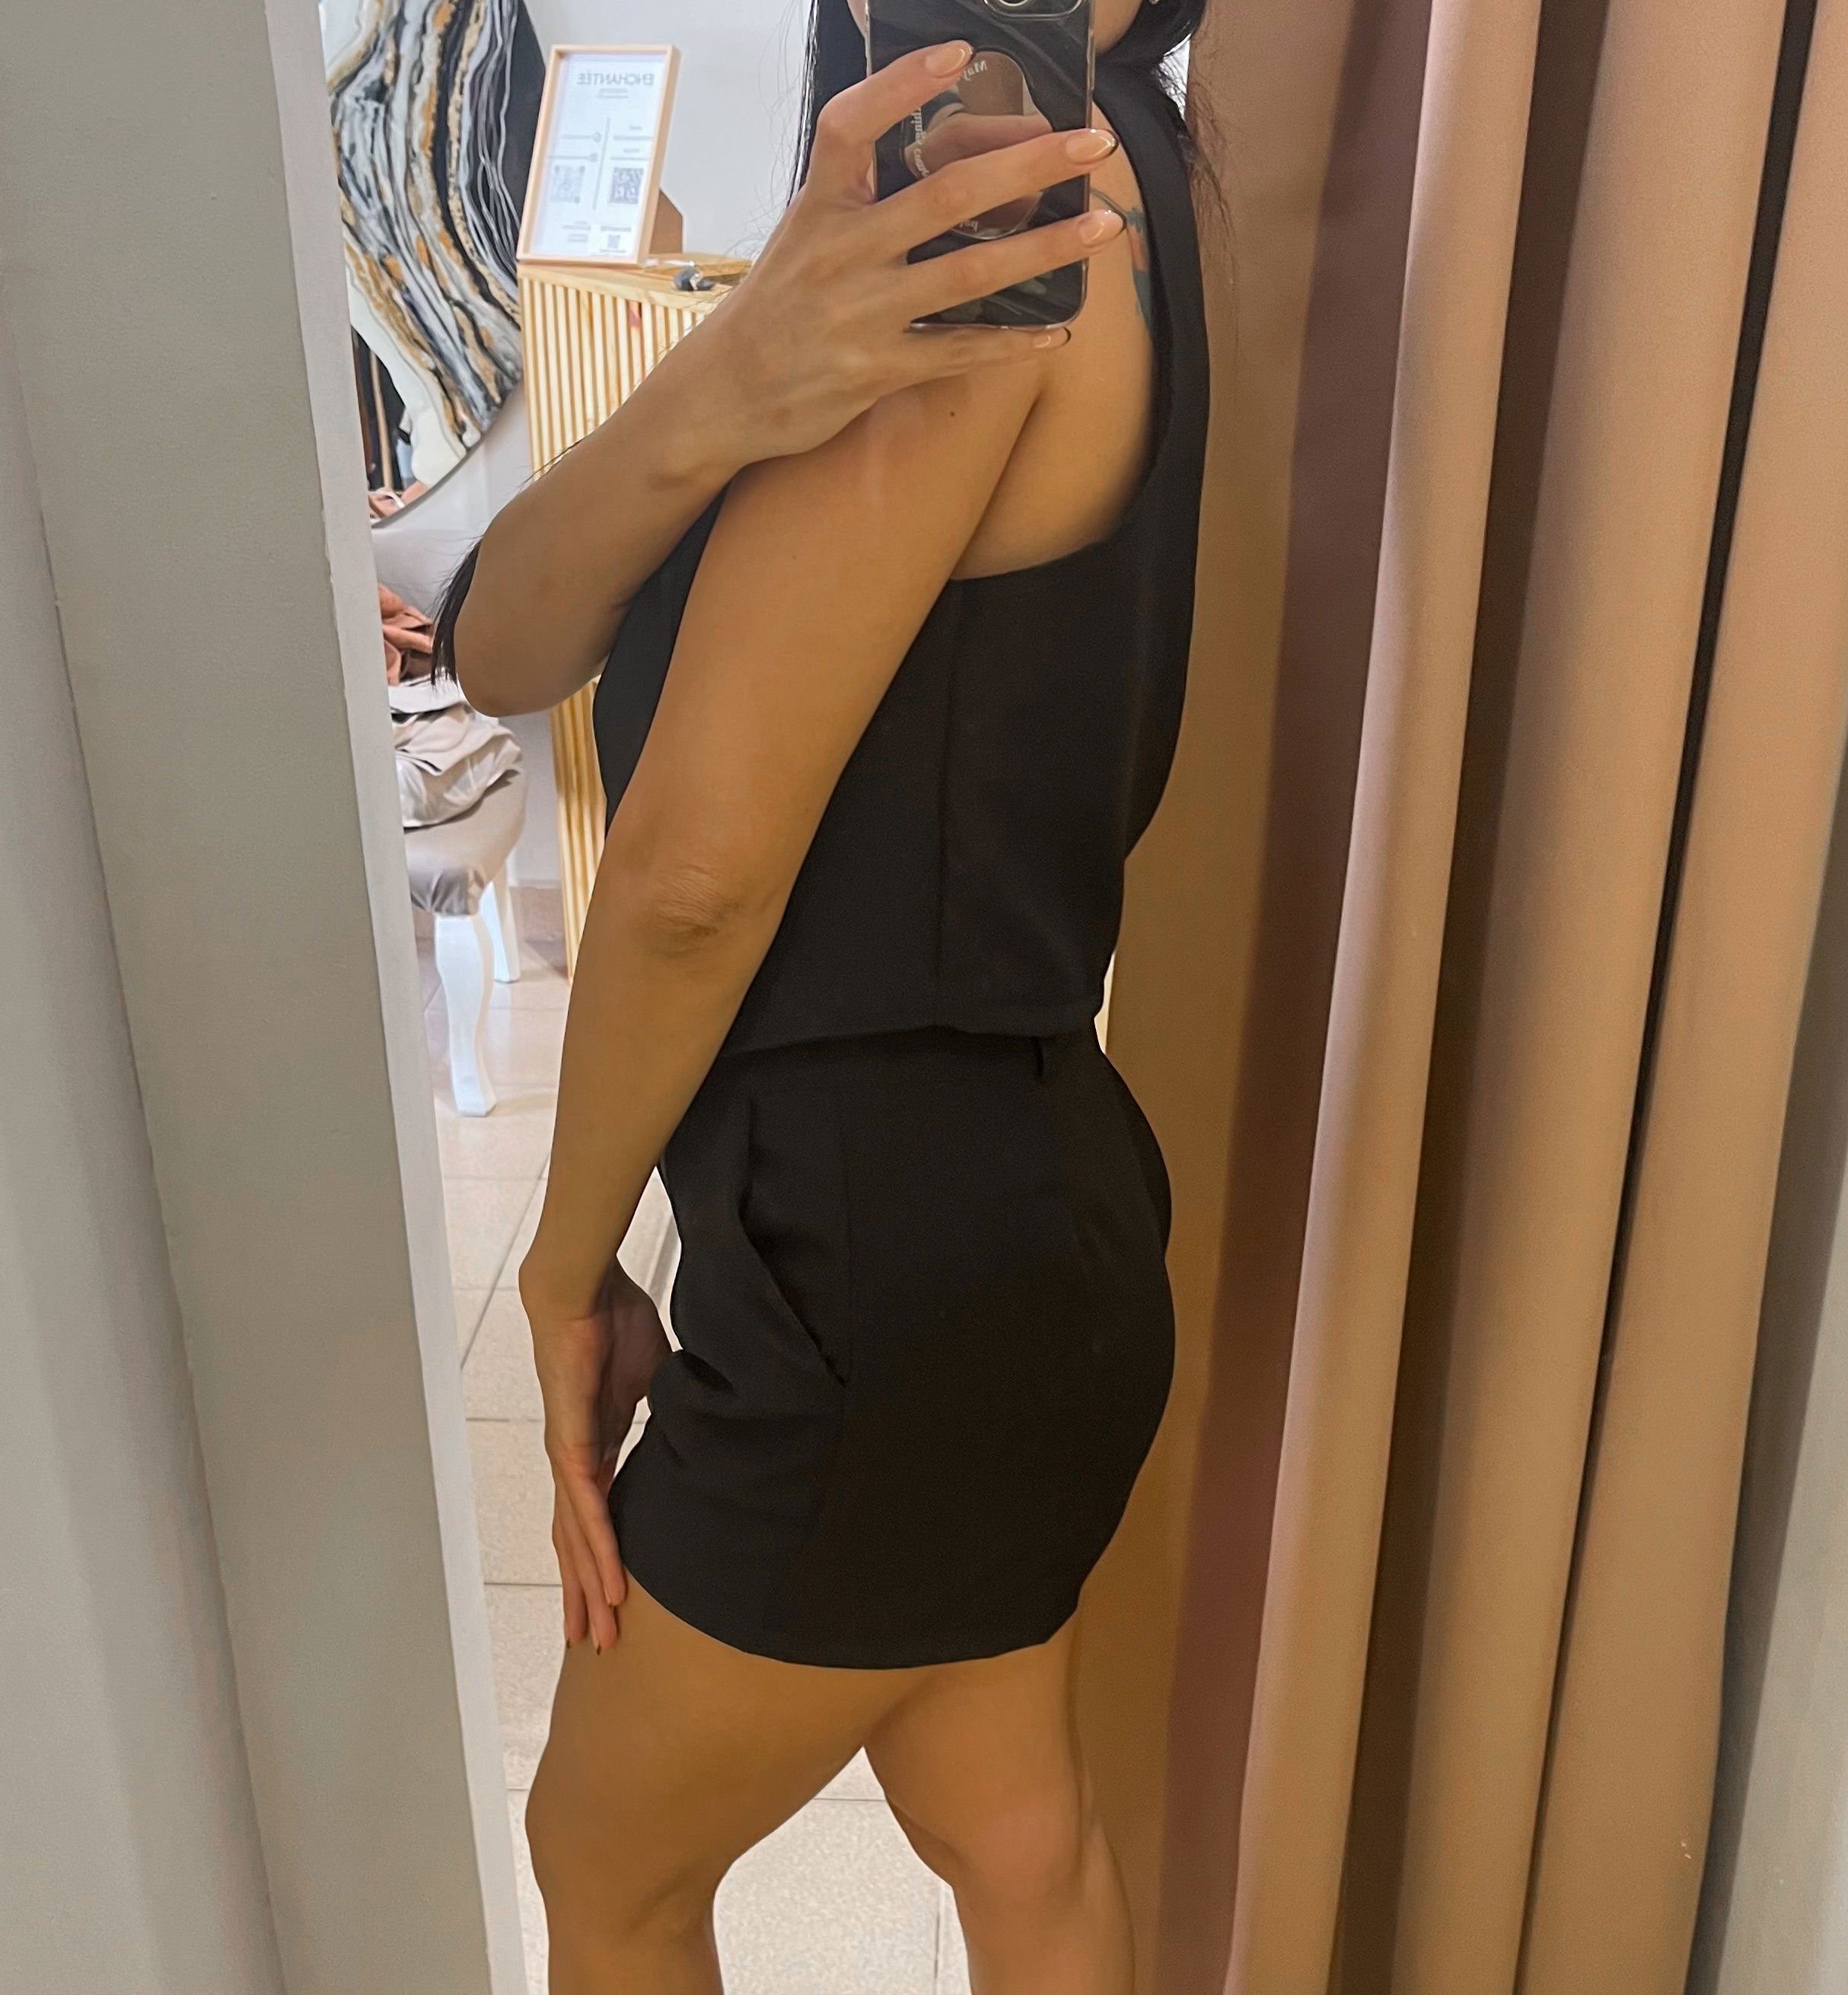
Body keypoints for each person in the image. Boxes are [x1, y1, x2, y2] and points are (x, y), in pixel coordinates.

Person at [443, 3, 1209, 1988]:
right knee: (1014, 1834)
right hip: (1033, 1210)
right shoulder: (1074, 152)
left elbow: (691, 878)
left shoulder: (994, 156)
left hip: (873, 1255)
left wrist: (567, 1264)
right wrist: (724, 379)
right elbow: (506, 644)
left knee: (605, 1860)